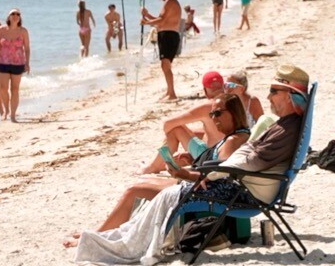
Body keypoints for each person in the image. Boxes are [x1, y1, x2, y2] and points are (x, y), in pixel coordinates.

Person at [72, 64, 311, 266]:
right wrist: (206, 170)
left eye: (273, 91)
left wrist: (206, 173)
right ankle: (115, 237)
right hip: (242, 186)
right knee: (167, 194)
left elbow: (245, 160)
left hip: (241, 192)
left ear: (289, 95)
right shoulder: (287, 125)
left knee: (170, 196)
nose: (268, 96)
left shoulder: (287, 129)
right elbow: (247, 158)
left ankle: (121, 244)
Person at [66, 94, 251, 256]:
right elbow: (218, 169)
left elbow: (220, 175)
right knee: (142, 183)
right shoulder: (237, 136)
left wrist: (184, 174)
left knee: (134, 190)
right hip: (200, 186)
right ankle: (104, 232)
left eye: (218, 113)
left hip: (200, 192)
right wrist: (192, 163)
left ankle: (96, 235)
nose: (214, 118)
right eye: (212, 114)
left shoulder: (233, 141)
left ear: (233, 113)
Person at [140, 70, 229, 174]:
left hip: (211, 159)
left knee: (175, 129)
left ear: (205, 91)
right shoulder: (233, 101)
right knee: (195, 132)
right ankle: (163, 164)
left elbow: (167, 124)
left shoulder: (208, 107)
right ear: (223, 86)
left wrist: (171, 136)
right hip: (227, 154)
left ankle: (152, 167)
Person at [140, 0, 181, 101]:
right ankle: (169, 91)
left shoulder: (169, 2)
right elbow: (160, 20)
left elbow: (161, 21)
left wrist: (146, 22)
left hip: (169, 35)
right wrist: (147, 15)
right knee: (165, 65)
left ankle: (172, 93)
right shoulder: (168, 2)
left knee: (165, 65)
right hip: (166, 34)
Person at [0, 9, 30, 122]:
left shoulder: (23, 31)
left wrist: (27, 63)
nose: (15, 15)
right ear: (9, 17)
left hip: (18, 63)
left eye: (18, 14)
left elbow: (26, 48)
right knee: (3, 88)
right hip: (3, 62)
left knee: (15, 89)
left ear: (20, 17)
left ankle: (13, 115)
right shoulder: (2, 29)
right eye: (13, 14)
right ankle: (6, 110)